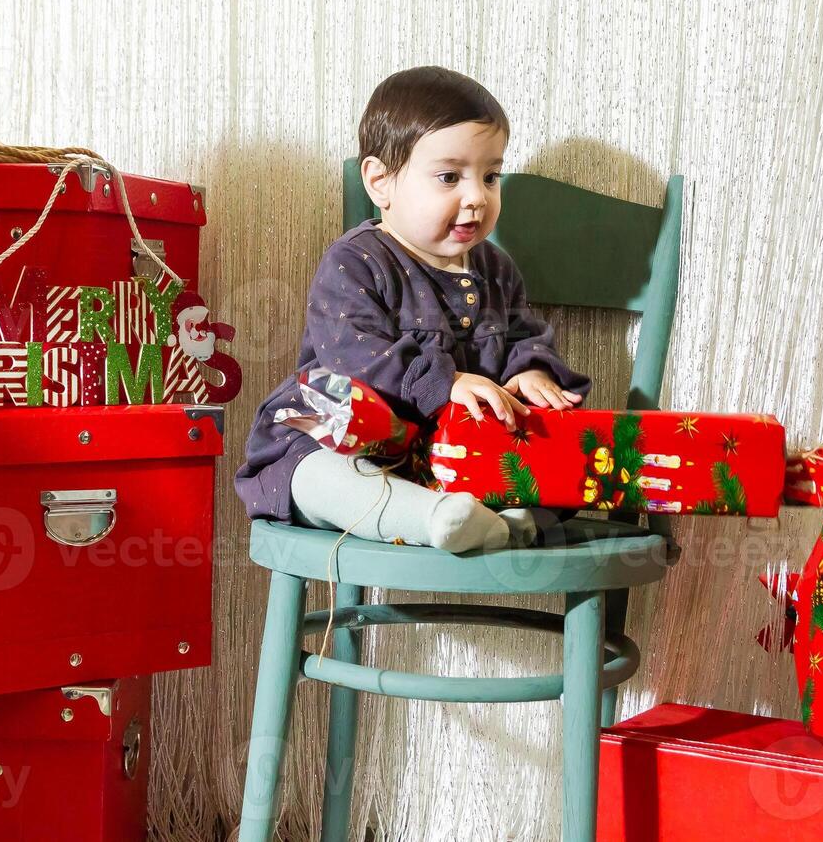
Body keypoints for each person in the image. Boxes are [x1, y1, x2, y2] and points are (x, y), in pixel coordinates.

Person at [234, 66, 591, 552]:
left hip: (447, 455)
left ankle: (504, 520)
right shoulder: (356, 262)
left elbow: (521, 334)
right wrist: (446, 383)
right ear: (381, 182)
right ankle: (435, 520)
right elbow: (353, 357)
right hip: (343, 437)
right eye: (449, 177)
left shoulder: (496, 270)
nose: (476, 197)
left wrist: (530, 370)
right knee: (318, 478)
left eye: (490, 176)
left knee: (555, 459)